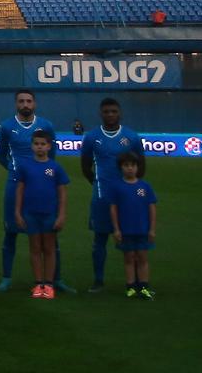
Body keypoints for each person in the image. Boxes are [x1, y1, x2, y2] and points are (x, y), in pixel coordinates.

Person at [0, 89, 68, 293]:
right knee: (11, 231)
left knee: (50, 234)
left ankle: (56, 279)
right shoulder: (7, 126)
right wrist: (15, 171)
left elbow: (52, 155)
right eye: (21, 101)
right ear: (16, 104)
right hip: (15, 184)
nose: (25, 104)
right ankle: (6, 278)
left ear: (34, 103)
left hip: (42, 184)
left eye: (28, 101)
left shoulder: (46, 125)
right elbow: (1, 155)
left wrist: (42, 173)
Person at [81, 97, 144, 293]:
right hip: (102, 197)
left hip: (127, 198)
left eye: (114, 111)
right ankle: (98, 281)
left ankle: (136, 283)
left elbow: (141, 166)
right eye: (106, 111)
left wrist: (131, 188)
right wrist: (97, 183)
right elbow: (85, 166)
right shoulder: (91, 137)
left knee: (132, 240)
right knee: (100, 239)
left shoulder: (132, 137)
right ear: (100, 113)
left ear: (120, 113)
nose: (110, 115)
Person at [13, 128, 69, 299]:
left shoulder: (55, 167)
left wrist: (61, 215)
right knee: (35, 248)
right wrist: (17, 212)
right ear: (32, 146)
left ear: (49, 146)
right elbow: (20, 190)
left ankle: (49, 284)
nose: (39, 147)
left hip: (49, 214)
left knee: (49, 248)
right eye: (36, 144)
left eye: (43, 144)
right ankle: (38, 283)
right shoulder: (25, 166)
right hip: (30, 214)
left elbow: (62, 193)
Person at [107, 152, 157, 299]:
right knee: (129, 258)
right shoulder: (117, 187)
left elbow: (152, 208)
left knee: (142, 257)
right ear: (121, 168)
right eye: (126, 165)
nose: (130, 168)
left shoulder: (144, 186)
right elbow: (113, 208)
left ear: (137, 167)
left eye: (133, 165)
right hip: (126, 230)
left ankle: (144, 287)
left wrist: (152, 229)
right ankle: (130, 287)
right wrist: (116, 229)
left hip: (142, 229)